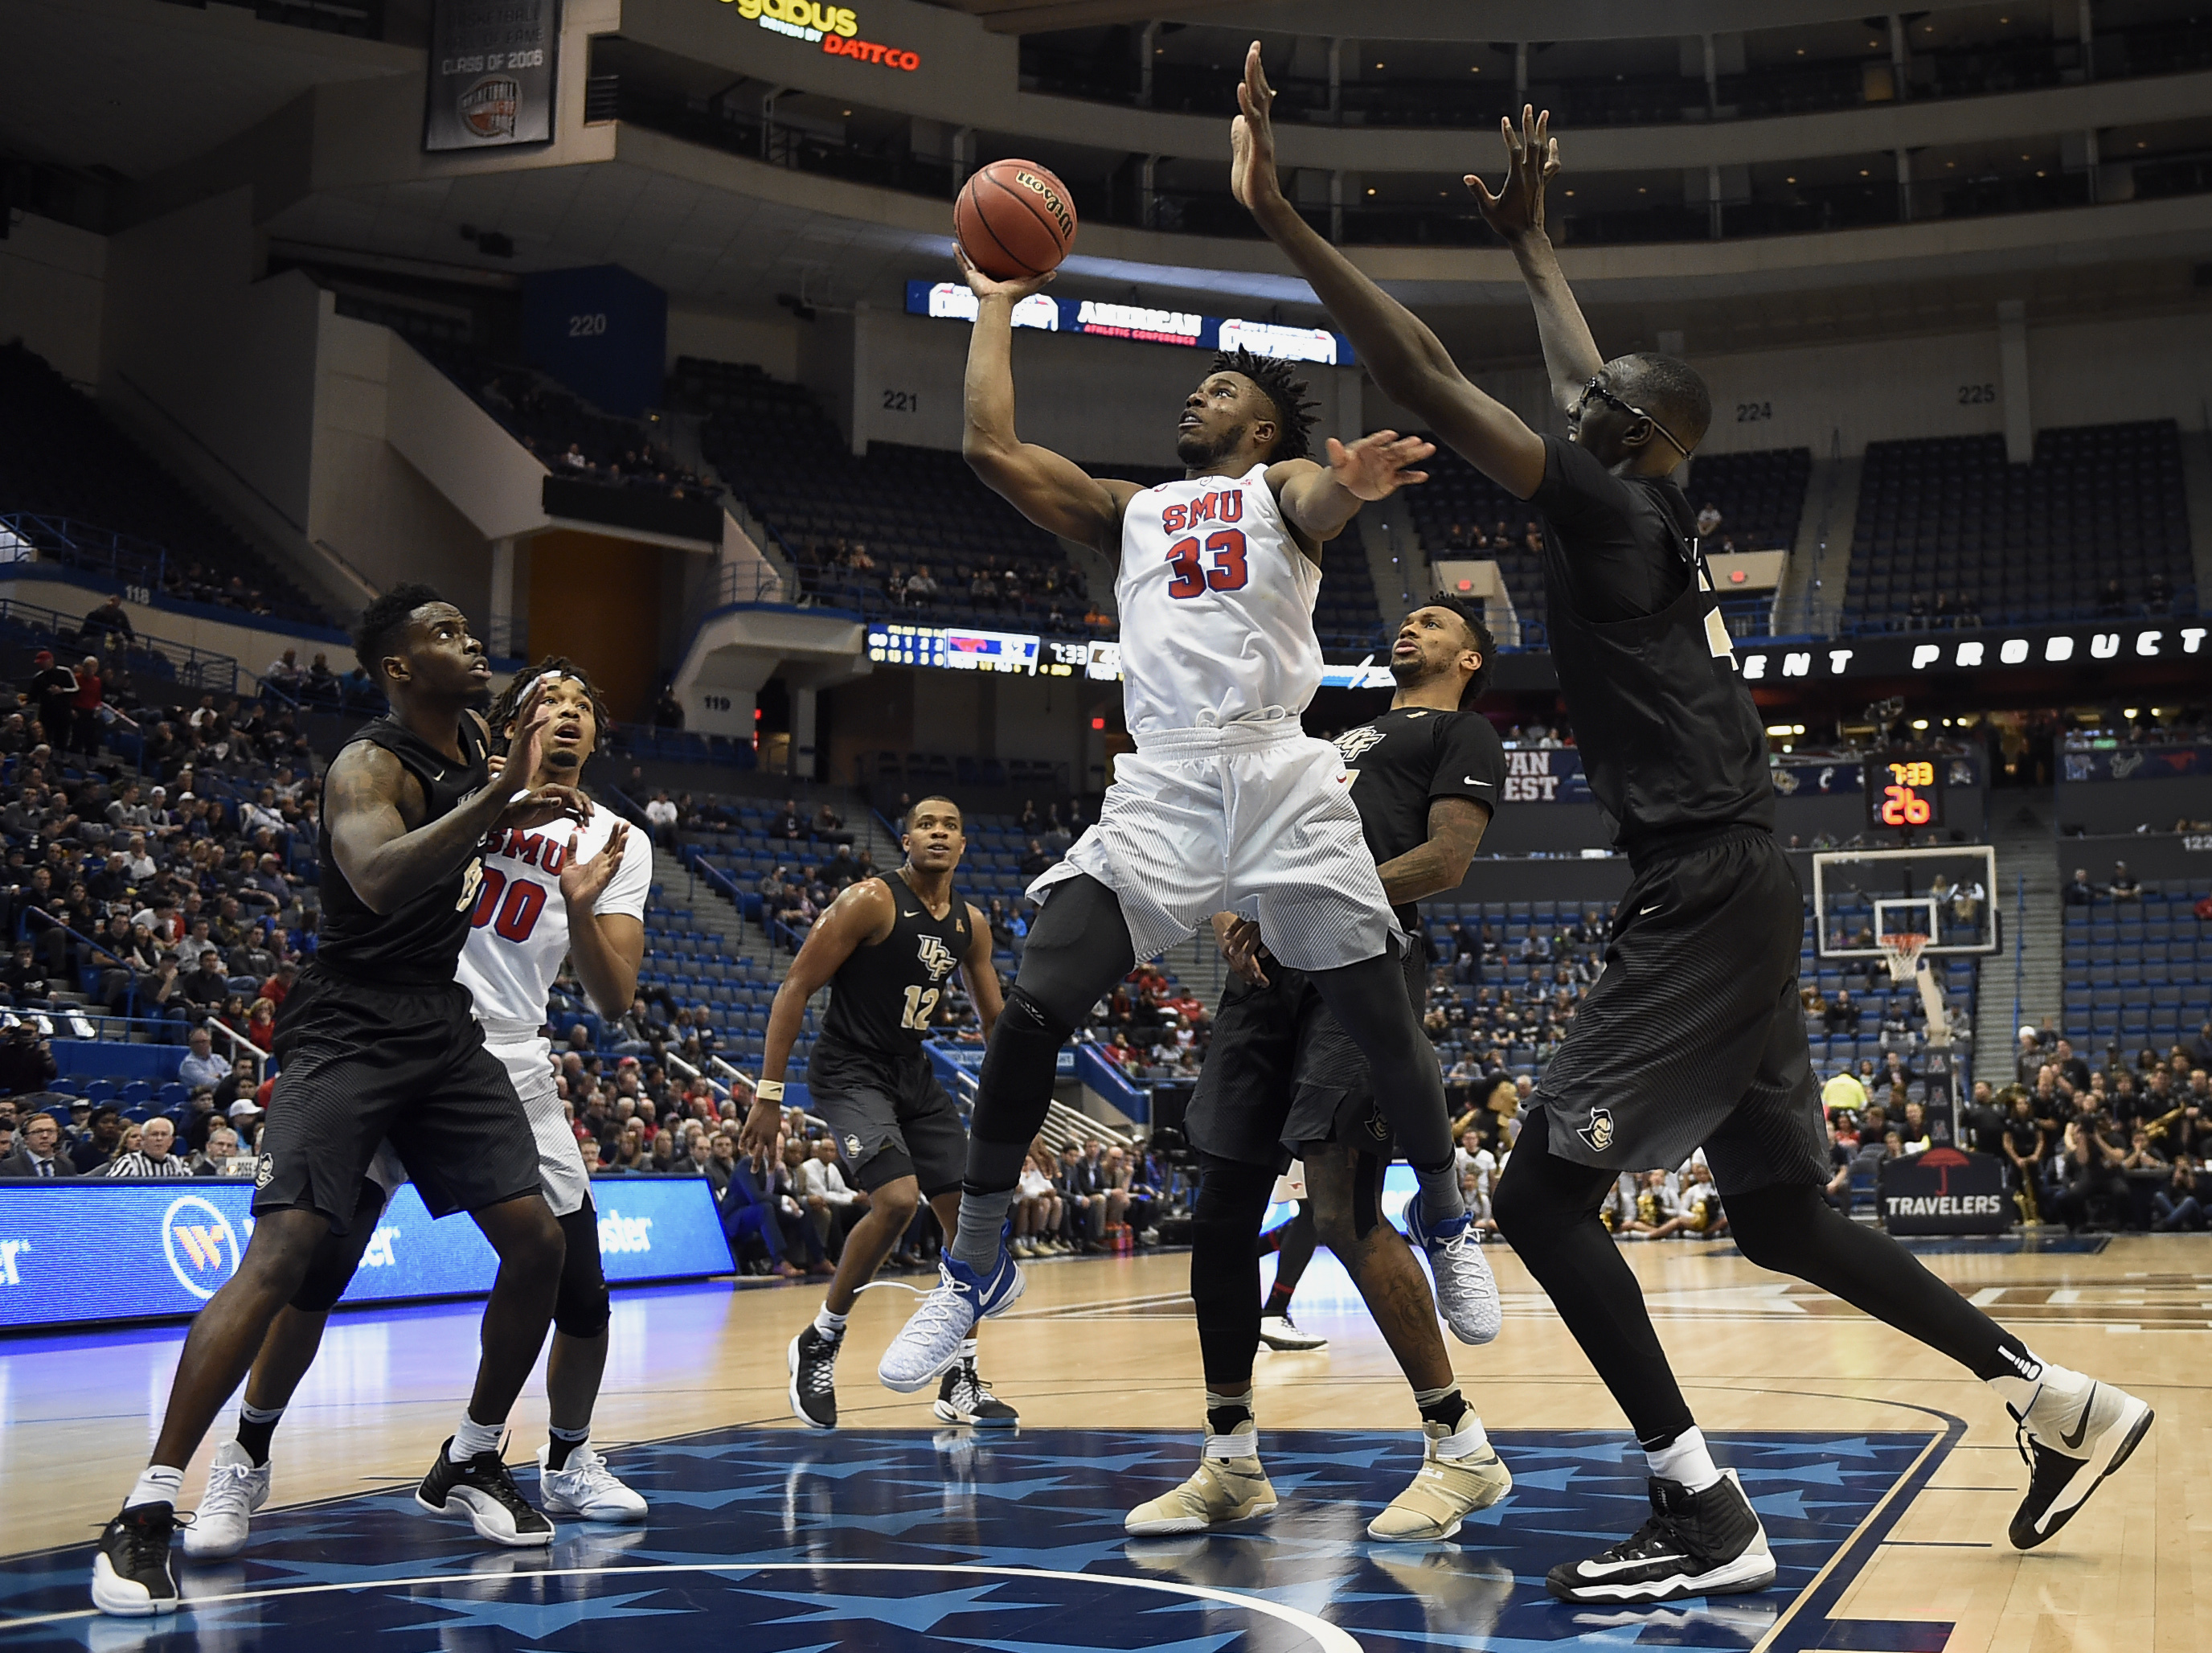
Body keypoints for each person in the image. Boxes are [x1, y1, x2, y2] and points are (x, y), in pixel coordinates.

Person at [1227, 70, 2150, 1601]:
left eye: (1587, 419)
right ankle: (2049, 1399)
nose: (1566, 418)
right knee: (1780, 1213)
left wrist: (1282, 218)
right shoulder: (1652, 502)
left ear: (1623, 439)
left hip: (1706, 879)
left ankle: (1702, 1508)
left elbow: (1430, 368)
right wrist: (1536, 249)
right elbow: (1595, 376)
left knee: (1535, 1197)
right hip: (1742, 872)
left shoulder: (1606, 505)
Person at [877, 243, 1481, 1395]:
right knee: (1034, 1008)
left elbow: (1317, 494)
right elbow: (991, 450)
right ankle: (972, 1269)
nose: (1196, 393)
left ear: (1263, 433)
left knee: (1377, 1011)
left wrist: (1347, 484)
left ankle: (1447, 1216)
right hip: (1163, 785)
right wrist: (995, 307)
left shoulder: (1280, 491)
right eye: (1197, 387)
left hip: (1275, 771)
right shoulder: (1131, 510)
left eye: (1223, 390)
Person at [90, 586, 581, 1618]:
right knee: (289, 1258)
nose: (469, 642)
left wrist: (516, 785)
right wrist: (500, 796)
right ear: (398, 668)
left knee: (539, 1243)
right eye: (443, 634)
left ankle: (475, 1453)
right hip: (349, 1029)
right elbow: (377, 879)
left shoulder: (478, 738)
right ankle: (148, 1506)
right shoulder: (370, 762)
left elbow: (491, 809)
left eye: (465, 626)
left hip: (443, 1031)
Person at [181, 660, 656, 1565]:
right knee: (315, 1273)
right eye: (546, 703)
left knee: (579, 1286)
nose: (565, 716)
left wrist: (581, 910)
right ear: (507, 724)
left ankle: (550, 1457)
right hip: (391, 1034)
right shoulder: (451, 791)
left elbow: (612, 998)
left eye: (582, 706)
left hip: (508, 1057)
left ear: (597, 735)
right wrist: (484, 800)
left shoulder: (619, 841)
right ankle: (243, 1456)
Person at [1129, 594, 1508, 1541]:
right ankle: (1228, 1459)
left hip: (1361, 961)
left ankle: (1461, 1449)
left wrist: (1308, 897)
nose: (1409, 626)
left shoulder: (1462, 732)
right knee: (1220, 1211)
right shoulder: (1328, 736)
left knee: (1341, 1209)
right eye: (1405, 615)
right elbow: (1238, 848)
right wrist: (1233, 907)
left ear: (1468, 658)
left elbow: (1447, 859)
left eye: (1433, 620)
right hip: (1265, 975)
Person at [739, 797, 1014, 1429]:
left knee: (973, 1228)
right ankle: (822, 1340)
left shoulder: (971, 923)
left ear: (964, 844)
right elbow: (796, 987)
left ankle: (959, 1376)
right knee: (894, 1201)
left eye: (950, 825)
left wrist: (1027, 1108)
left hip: (912, 1071)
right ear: (907, 839)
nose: (938, 833)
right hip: (848, 1068)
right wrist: (768, 1094)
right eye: (926, 824)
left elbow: (995, 1021)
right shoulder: (869, 901)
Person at [1, 1110, 76, 1177]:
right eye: (38, 1131)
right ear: (26, 1139)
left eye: (50, 1131)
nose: (45, 1136)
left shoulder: (66, 1165)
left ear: (57, 1135)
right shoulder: (9, 1166)